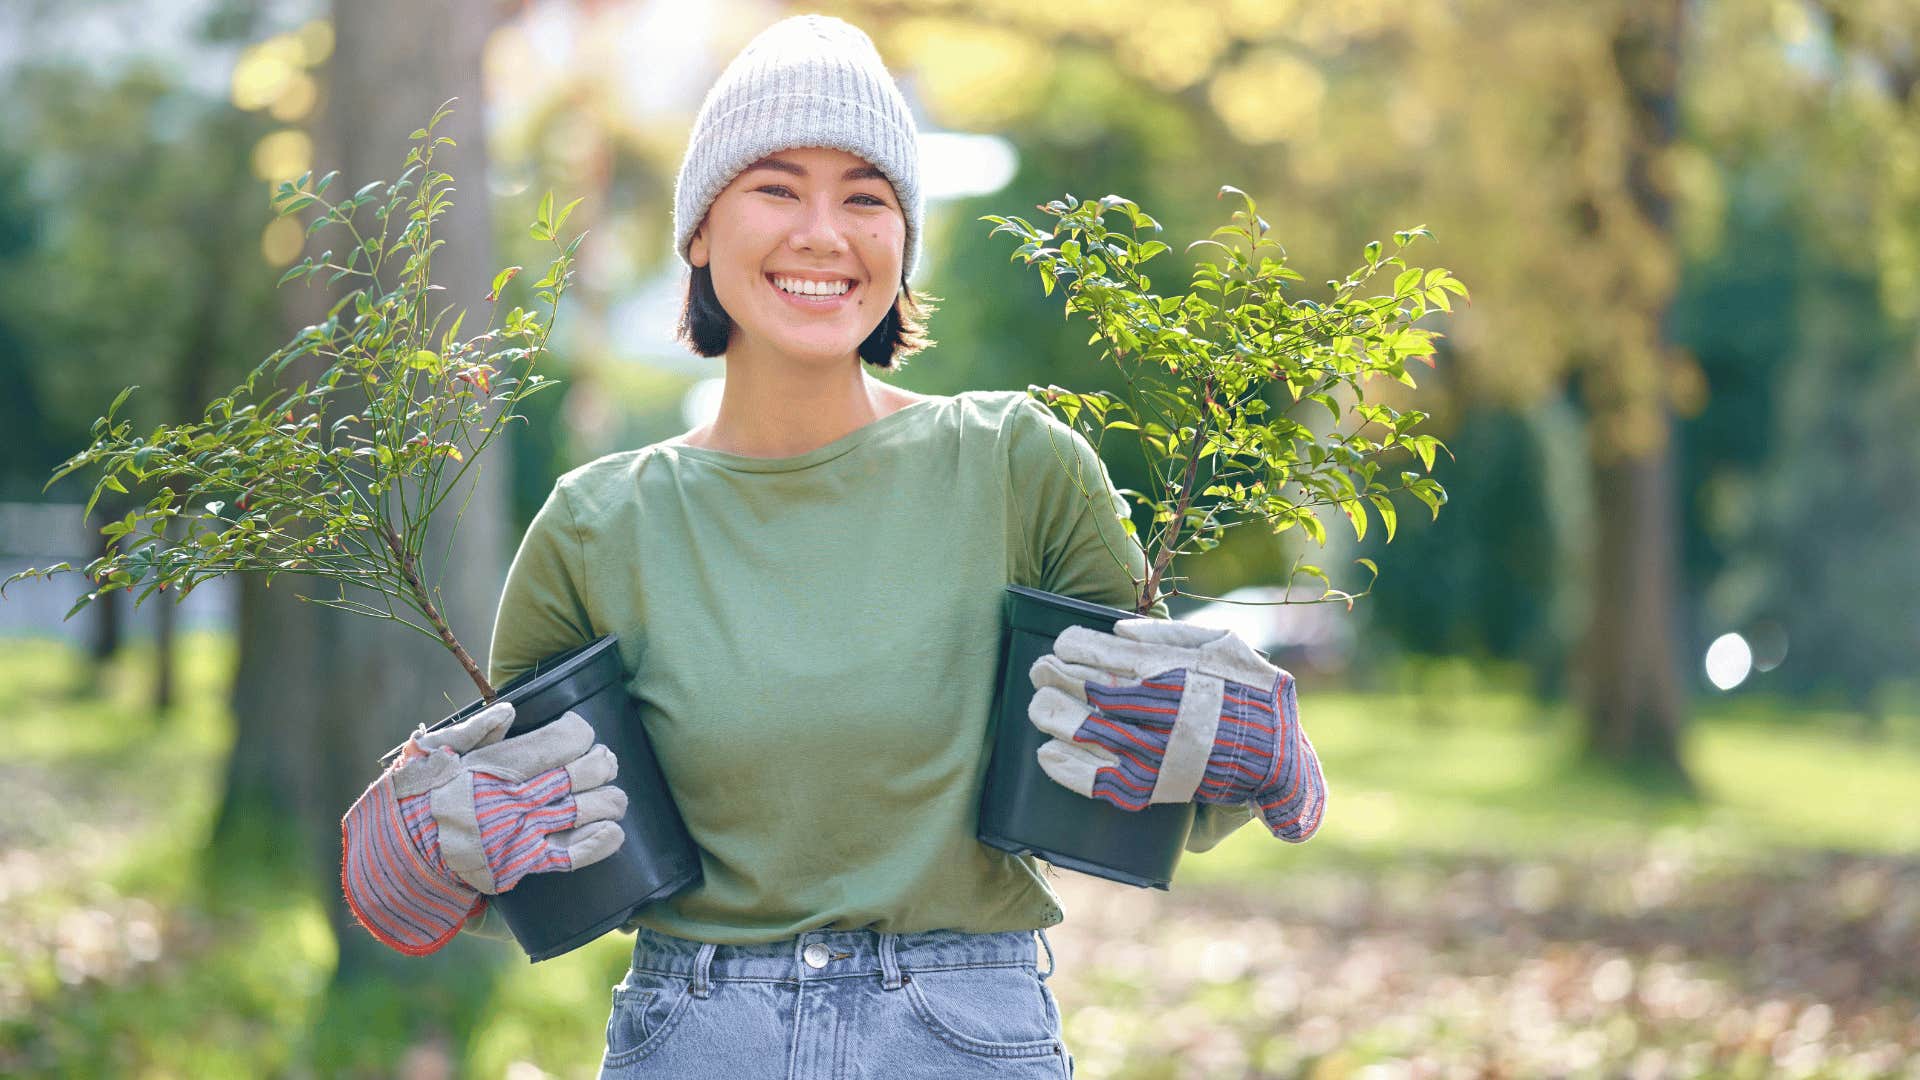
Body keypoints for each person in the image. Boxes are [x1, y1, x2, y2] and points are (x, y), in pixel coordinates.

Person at [338, 12, 1326, 1078]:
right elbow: (546, 845)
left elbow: (1144, 759)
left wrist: (1248, 748)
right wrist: (441, 846)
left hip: (962, 1035)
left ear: (903, 242)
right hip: (698, 1037)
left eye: (866, 197)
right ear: (701, 232)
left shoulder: (1014, 465)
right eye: (776, 188)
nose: (824, 233)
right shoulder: (597, 526)